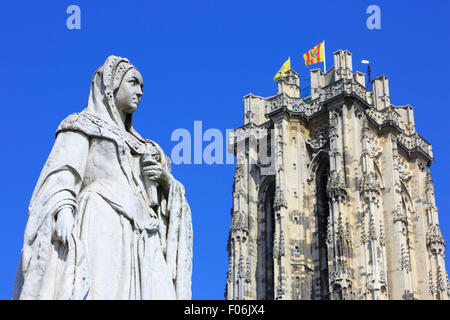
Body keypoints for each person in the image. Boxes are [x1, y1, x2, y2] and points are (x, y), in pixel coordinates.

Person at [12, 56, 193, 300]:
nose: (139, 92)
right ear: (112, 85)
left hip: (143, 232)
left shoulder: (145, 146)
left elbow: (168, 201)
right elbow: (61, 172)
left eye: (142, 87)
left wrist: (165, 181)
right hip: (101, 219)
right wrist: (64, 209)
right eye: (133, 83)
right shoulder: (82, 124)